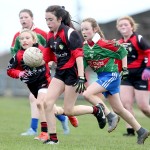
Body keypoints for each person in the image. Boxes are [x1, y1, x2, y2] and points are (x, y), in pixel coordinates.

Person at [42, 5, 121, 145]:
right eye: (46, 20)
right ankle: (53, 138)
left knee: (68, 110)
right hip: (60, 72)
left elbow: (79, 56)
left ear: (60, 19)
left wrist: (81, 77)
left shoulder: (70, 33)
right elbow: (47, 55)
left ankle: (96, 109)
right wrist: (39, 62)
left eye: (51, 20)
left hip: (73, 73)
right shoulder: (50, 34)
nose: (48, 23)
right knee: (47, 103)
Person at [80, 17, 150, 144]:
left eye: (86, 29)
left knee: (87, 94)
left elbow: (122, 51)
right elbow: (84, 61)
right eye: (82, 29)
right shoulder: (85, 46)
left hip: (111, 76)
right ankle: (141, 131)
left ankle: (109, 115)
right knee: (120, 109)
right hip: (103, 77)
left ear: (94, 30)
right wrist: (80, 75)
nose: (84, 32)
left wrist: (124, 68)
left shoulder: (102, 43)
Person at [10, 9, 78, 136]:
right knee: (46, 104)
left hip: (43, 76)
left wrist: (50, 61)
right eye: (21, 17)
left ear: (32, 18)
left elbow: (51, 49)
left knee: (38, 102)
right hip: (30, 77)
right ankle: (63, 115)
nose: (23, 20)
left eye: (26, 17)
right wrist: (19, 71)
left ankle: (38, 130)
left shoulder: (42, 33)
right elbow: (15, 56)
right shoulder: (17, 36)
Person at [116, 16, 150, 136]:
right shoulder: (119, 43)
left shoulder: (138, 39)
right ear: (118, 28)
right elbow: (118, 60)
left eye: (125, 24)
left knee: (144, 107)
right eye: (121, 25)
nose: (123, 27)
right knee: (126, 104)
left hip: (142, 76)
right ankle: (131, 130)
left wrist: (148, 69)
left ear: (131, 26)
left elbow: (149, 52)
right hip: (127, 77)